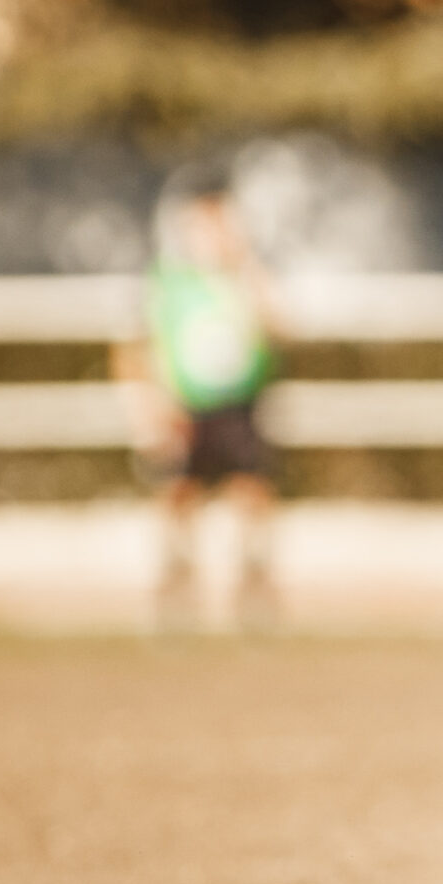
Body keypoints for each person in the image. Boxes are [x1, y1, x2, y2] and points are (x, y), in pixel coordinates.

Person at [114, 183, 282, 629]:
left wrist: (249, 274)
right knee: (178, 495)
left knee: (251, 491)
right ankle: (173, 592)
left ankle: (254, 590)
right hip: (183, 404)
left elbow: (278, 326)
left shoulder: (242, 277)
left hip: (238, 401)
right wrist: (150, 405)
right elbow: (138, 343)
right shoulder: (169, 282)